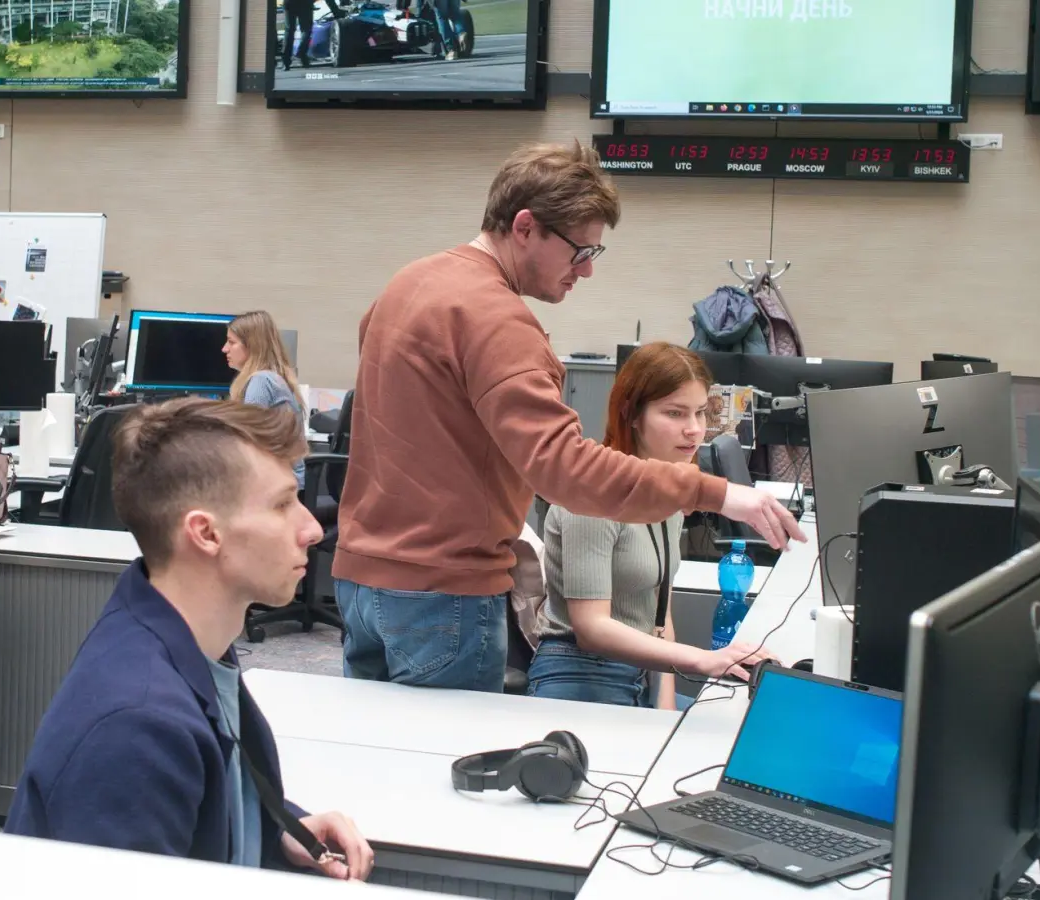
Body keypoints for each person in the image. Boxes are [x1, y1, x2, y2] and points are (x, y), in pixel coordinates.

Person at [332, 141, 803, 693]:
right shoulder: (496, 319)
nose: (586, 272)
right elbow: (565, 470)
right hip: (443, 592)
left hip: (362, 581)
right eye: (581, 251)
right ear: (525, 226)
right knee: (444, 768)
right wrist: (720, 494)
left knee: (378, 759)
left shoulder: (407, 285)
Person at [5, 399, 374, 880]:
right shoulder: (136, 730)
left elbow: (218, 782)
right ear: (205, 533)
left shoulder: (191, 638)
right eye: (283, 504)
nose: (309, 527)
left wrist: (282, 824)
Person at [528, 343, 778, 709]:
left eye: (700, 413)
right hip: (580, 678)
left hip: (640, 673)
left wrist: (665, 708)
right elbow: (592, 629)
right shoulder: (594, 496)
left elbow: (659, 614)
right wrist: (704, 661)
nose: (694, 430)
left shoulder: (669, 490)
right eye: (675, 413)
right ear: (631, 414)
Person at [224, 310, 307, 490]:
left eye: (231, 342)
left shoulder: (261, 380)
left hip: (278, 486)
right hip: (283, 480)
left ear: (252, 345)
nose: (224, 349)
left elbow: (249, 439)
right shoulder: (274, 377)